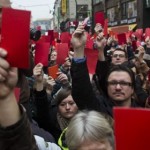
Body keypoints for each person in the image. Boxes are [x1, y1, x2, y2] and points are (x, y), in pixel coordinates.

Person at [70, 23, 142, 117]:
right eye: (113, 83)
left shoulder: (143, 113)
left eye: (124, 83)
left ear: (132, 88)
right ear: (106, 86)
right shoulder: (99, 111)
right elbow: (82, 93)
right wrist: (79, 49)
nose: (118, 87)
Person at [33, 63, 78, 143]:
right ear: (57, 106)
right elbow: (42, 107)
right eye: (62, 104)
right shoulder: (52, 120)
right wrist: (39, 83)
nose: (67, 107)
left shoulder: (85, 118)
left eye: (71, 103)